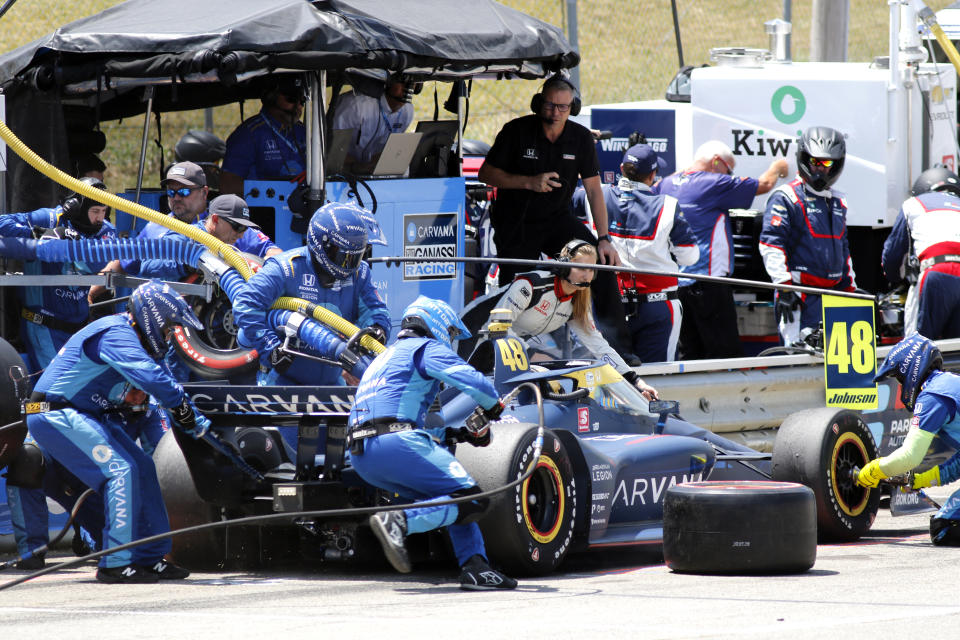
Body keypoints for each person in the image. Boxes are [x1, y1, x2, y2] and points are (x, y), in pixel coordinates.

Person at [24, 281, 210, 583]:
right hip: (54, 413)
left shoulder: (128, 335)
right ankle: (116, 563)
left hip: (83, 414)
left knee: (144, 468)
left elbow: (158, 376)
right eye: (167, 329)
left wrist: (192, 415)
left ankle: (151, 556)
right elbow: (150, 375)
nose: (168, 337)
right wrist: (182, 408)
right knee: (121, 471)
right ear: (153, 318)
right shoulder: (116, 332)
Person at [348, 295, 516, 590]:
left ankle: (475, 567)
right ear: (436, 323)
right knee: (473, 499)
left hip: (364, 455)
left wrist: (455, 435)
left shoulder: (385, 357)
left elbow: (393, 415)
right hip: (395, 442)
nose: (451, 341)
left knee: (452, 494)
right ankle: (400, 521)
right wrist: (494, 407)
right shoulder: (425, 347)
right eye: (451, 333)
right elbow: (473, 381)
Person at [477, 74, 629, 357]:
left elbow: (595, 191)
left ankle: (618, 349)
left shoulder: (581, 138)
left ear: (573, 108)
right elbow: (486, 174)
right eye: (550, 106)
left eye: (563, 107)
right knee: (514, 284)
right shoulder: (516, 131)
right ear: (538, 104)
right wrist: (528, 182)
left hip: (556, 219)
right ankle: (501, 350)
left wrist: (605, 238)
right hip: (516, 220)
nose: (556, 112)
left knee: (600, 261)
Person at [6, 385, 168, 570]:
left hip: (104, 482)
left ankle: (85, 534)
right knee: (27, 458)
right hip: (59, 468)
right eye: (131, 391)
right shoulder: (80, 388)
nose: (137, 398)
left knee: (120, 548)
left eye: (142, 392)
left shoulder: (153, 409)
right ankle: (31, 551)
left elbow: (162, 460)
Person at [475, 239, 658, 399]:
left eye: (592, 270)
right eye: (581, 268)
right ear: (563, 266)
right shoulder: (531, 285)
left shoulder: (578, 300)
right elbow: (497, 327)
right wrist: (529, 354)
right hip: (477, 346)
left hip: (509, 354)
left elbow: (598, 345)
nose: (586, 275)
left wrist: (635, 380)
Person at [233, 202, 391, 387]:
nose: (348, 265)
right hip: (281, 381)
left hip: (334, 383)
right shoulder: (286, 268)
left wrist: (377, 330)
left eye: (354, 257)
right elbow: (245, 305)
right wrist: (271, 348)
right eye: (342, 256)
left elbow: (376, 311)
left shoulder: (360, 273)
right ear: (320, 244)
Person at [656, 140, 787, 359]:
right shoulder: (713, 182)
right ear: (717, 161)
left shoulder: (668, 184)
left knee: (691, 353)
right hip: (709, 282)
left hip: (677, 284)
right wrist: (779, 167)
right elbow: (764, 184)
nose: (730, 175)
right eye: (729, 169)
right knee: (726, 353)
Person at [90, 162, 280, 302]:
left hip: (216, 329)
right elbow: (125, 261)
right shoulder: (155, 227)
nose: (177, 198)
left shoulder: (226, 223)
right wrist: (90, 294)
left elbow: (272, 253)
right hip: (170, 325)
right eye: (171, 192)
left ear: (204, 192)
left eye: (184, 192)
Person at [0, 177, 117, 373]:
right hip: (43, 327)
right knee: (58, 387)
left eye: (104, 211)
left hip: (80, 326)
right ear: (76, 209)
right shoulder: (50, 218)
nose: (100, 218)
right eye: (95, 211)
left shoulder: (105, 230)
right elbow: (2, 223)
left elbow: (95, 261)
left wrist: (72, 243)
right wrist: (43, 234)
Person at [857, 334, 960, 545]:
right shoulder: (947, 385)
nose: (901, 387)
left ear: (909, 370)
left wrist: (875, 469)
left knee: (945, 527)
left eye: (899, 379)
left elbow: (909, 457)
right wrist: (923, 480)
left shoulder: (933, 395)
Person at [601, 143, 699, 363]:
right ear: (653, 175)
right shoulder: (667, 205)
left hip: (611, 303)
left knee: (613, 377)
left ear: (621, 168)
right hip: (658, 304)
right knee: (658, 378)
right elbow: (690, 256)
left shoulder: (598, 196)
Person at [759, 126, 855, 346]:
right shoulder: (786, 197)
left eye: (827, 163)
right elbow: (771, 244)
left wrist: (851, 289)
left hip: (834, 295)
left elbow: (844, 249)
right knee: (800, 359)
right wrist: (784, 286)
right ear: (804, 158)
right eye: (814, 162)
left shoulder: (839, 201)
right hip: (799, 296)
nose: (820, 169)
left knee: (836, 364)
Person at [881, 166, 960, 339]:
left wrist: (895, 278)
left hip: (936, 274)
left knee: (918, 349)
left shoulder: (913, 204)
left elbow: (892, 256)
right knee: (956, 351)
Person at [220, 75, 307, 196]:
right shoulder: (248, 134)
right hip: (264, 211)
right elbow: (228, 185)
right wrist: (269, 191)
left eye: (302, 101)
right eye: (291, 99)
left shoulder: (303, 131)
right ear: (270, 97)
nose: (298, 106)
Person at [332, 78, 415, 173]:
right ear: (388, 82)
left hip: (376, 175)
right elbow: (332, 151)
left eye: (413, 83)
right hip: (341, 173)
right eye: (402, 81)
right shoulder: (355, 105)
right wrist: (358, 167)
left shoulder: (408, 111)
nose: (409, 88)